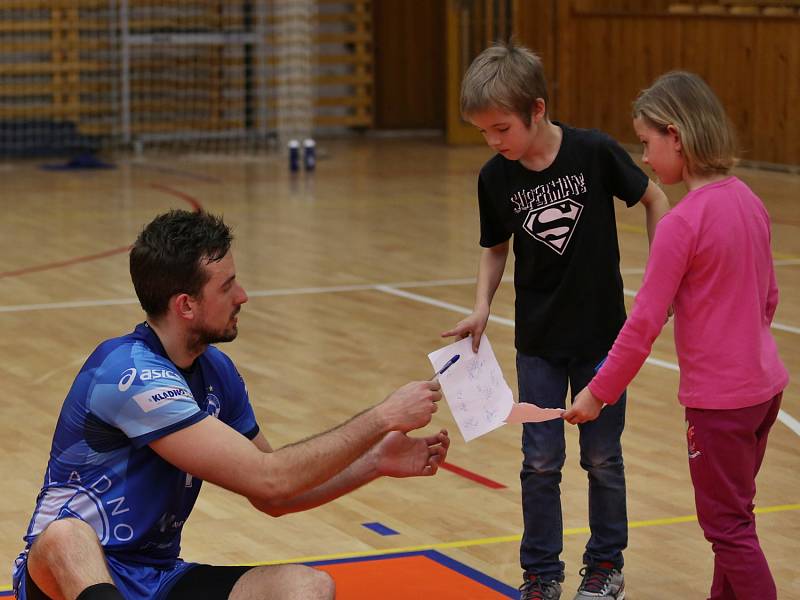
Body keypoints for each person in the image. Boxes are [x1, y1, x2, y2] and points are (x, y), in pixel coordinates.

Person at [13, 209, 450, 600]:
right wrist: (381, 417)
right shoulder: (129, 374)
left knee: (306, 587)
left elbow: (275, 496)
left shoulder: (215, 370)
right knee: (66, 536)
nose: (242, 296)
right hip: (66, 581)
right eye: (227, 286)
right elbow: (272, 480)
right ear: (186, 305)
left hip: (157, 578)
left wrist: (374, 462)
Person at [441, 41, 670, 600]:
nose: (494, 143)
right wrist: (481, 307)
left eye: (501, 129)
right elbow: (495, 246)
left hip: (602, 343)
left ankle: (604, 566)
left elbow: (655, 197)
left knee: (602, 458)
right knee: (539, 462)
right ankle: (541, 574)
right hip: (538, 342)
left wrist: (662, 277)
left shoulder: (593, 152)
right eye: (484, 134)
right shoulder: (496, 177)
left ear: (537, 110)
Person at [564, 71, 789, 600]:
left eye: (646, 143)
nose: (643, 158)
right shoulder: (748, 200)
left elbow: (641, 325)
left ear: (677, 136)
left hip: (721, 405)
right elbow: (770, 297)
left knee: (728, 529)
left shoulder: (681, 224)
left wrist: (598, 392)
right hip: (765, 390)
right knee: (735, 519)